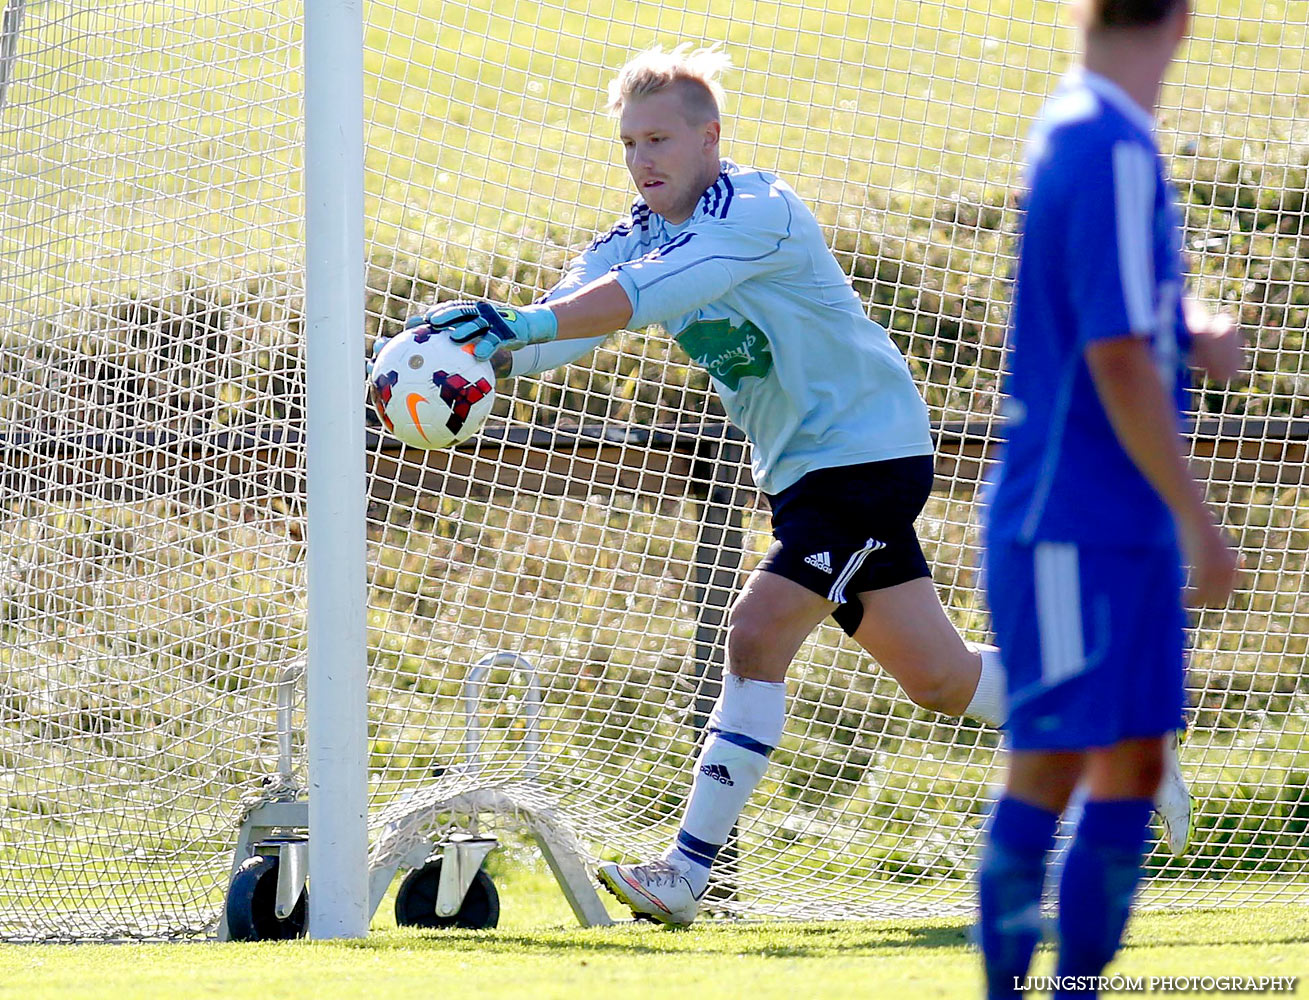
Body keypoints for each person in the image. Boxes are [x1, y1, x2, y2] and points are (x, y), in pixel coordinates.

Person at [392, 43, 1185, 927]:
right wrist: (465, 348)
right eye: (626, 143)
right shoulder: (635, 234)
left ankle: (688, 870)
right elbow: (566, 324)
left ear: (709, 139)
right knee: (937, 676)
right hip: (806, 473)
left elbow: (649, 294)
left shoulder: (756, 211)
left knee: (756, 631)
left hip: (864, 455)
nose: (641, 159)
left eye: (657, 138)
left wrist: (519, 324)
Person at [976, 0, 1242, 993]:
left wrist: (1193, 330)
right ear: (1182, 22)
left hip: (1114, 527)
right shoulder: (1106, 142)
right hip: (1067, 524)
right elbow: (1115, 355)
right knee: (1051, 768)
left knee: (1131, 763)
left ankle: (1078, 985)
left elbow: (1123, 307)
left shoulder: (1087, 128)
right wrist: (1197, 516)